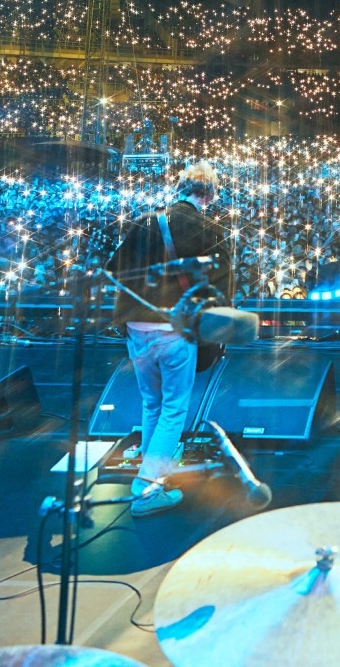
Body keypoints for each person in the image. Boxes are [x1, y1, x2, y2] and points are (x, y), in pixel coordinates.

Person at [107, 162, 230, 517]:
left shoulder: (147, 220)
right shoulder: (209, 229)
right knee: (174, 407)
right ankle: (146, 488)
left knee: (152, 403)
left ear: (181, 187)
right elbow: (219, 289)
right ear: (210, 193)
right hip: (174, 329)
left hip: (137, 328)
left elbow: (116, 272)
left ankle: (154, 468)